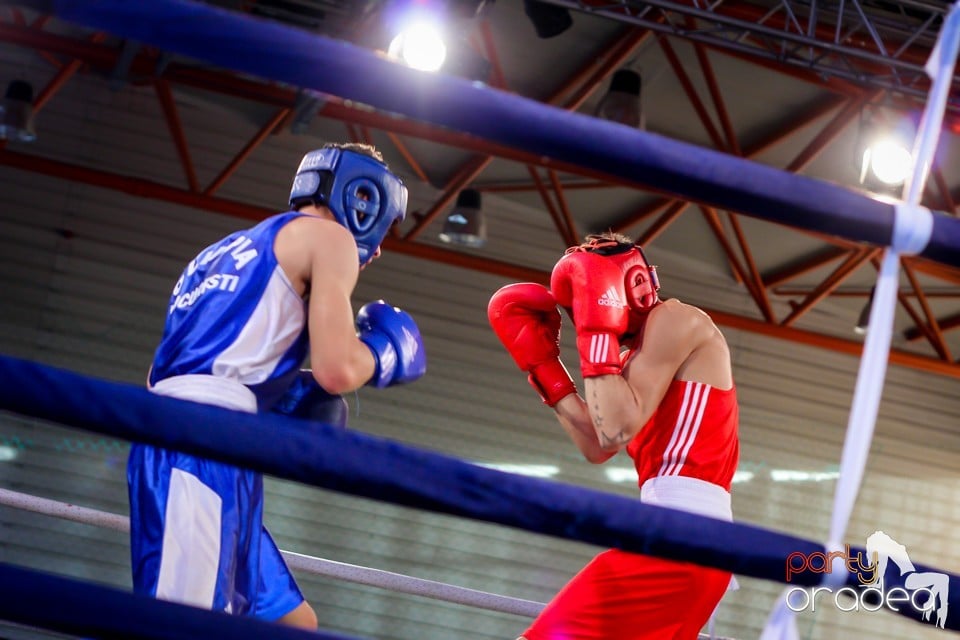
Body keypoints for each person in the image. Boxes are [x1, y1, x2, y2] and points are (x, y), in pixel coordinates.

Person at [127, 142, 426, 629]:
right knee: (183, 630)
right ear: (363, 198)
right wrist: (385, 351)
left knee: (292, 622)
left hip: (193, 437)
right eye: (385, 223)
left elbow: (165, 376)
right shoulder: (332, 241)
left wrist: (272, 397)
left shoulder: (217, 254)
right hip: (205, 448)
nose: (381, 244)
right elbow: (337, 370)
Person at [488, 231, 739, 640]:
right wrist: (545, 366)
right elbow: (597, 443)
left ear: (633, 284)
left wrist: (596, 331)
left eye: (588, 296)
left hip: (682, 536)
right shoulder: (629, 362)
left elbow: (615, 429)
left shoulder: (677, 319)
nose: (580, 313)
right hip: (680, 540)